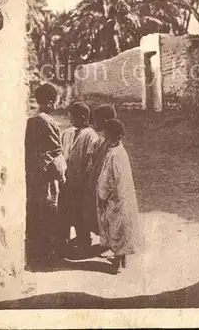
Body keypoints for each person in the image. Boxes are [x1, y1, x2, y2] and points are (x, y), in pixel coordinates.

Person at [25, 83, 66, 267]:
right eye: (56, 101)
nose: (57, 104)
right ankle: (48, 255)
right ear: (50, 102)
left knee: (36, 212)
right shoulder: (47, 122)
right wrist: (62, 174)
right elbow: (54, 152)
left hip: (34, 174)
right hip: (46, 176)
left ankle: (38, 253)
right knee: (49, 212)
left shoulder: (32, 120)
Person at [97, 119, 141, 274]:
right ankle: (122, 259)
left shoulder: (114, 155)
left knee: (114, 228)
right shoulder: (120, 152)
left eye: (108, 138)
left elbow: (108, 179)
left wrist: (102, 196)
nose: (106, 140)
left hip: (114, 198)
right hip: (122, 196)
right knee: (121, 228)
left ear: (116, 137)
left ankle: (116, 263)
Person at [59, 101, 98, 254]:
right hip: (67, 180)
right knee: (67, 211)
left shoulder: (91, 136)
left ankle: (84, 241)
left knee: (81, 213)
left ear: (83, 118)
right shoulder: (68, 133)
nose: (70, 121)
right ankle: (65, 241)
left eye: (72, 118)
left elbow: (90, 161)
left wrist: (86, 181)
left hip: (81, 183)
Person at [84, 104, 117, 236]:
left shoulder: (112, 143)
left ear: (106, 121)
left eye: (96, 120)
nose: (93, 123)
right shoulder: (99, 141)